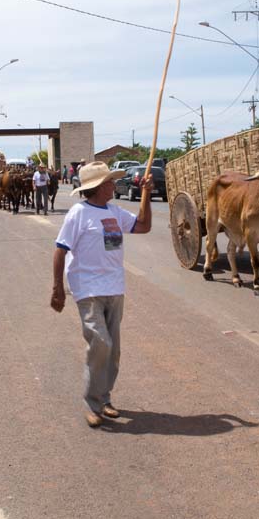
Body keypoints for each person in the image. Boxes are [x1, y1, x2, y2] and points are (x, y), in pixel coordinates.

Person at [51, 161, 152, 428]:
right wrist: (57, 289)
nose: (113, 185)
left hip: (114, 288)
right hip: (88, 289)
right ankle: (92, 402)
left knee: (113, 350)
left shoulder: (114, 211)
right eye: (109, 182)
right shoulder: (78, 213)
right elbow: (60, 249)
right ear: (96, 187)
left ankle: (104, 398)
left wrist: (146, 194)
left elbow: (143, 226)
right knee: (101, 342)